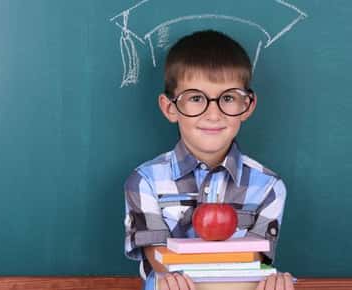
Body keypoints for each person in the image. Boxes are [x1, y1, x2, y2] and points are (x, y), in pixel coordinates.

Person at [124, 30, 293, 290]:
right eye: (195, 98)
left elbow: (254, 263)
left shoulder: (269, 187)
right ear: (170, 108)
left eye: (227, 98)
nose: (213, 114)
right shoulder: (145, 181)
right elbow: (159, 260)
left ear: (247, 106)